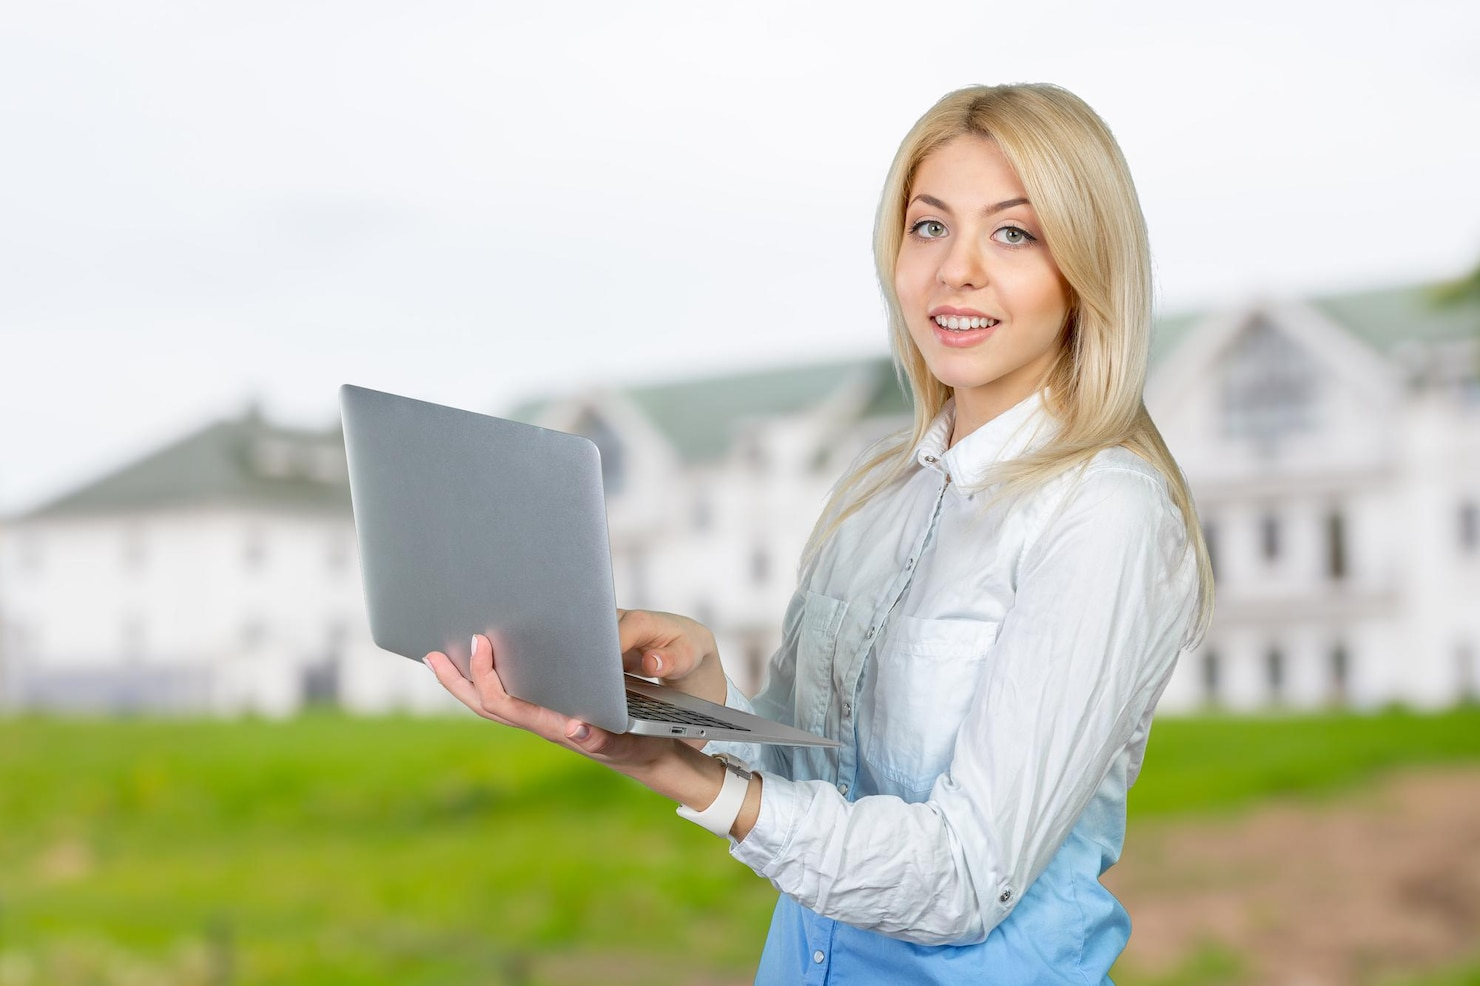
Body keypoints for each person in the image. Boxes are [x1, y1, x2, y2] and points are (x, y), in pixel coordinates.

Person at [424, 82, 1214, 984]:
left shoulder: (1104, 512)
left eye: (1013, 232)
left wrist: (685, 777)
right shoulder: (880, 489)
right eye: (929, 226)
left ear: (1088, 266)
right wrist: (698, 699)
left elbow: (964, 878)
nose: (956, 269)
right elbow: (821, 775)